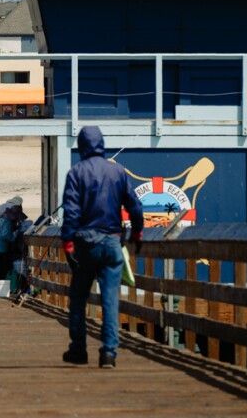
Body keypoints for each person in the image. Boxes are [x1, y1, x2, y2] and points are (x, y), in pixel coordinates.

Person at [61, 125, 144, 369]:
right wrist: (137, 233)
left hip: (86, 243)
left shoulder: (76, 173)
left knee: (78, 296)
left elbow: (72, 212)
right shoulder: (118, 171)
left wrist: (67, 242)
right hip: (112, 242)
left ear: (81, 146)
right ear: (102, 144)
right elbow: (135, 207)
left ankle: (78, 350)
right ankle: (108, 353)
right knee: (110, 299)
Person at [0, 196, 28, 281]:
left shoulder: (3, 216)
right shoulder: (7, 221)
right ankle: (0, 288)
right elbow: (5, 235)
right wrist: (14, 239)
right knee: (1, 268)